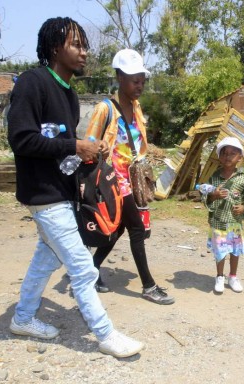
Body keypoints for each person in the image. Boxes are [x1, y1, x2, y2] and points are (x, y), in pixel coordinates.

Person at [6, 17, 144, 358]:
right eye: (76, 45)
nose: (84, 52)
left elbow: (62, 146)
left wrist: (87, 156)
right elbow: (21, 139)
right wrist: (75, 146)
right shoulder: (31, 82)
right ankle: (106, 335)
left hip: (62, 192)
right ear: (55, 48)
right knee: (83, 267)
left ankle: (23, 318)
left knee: (46, 259)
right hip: (42, 194)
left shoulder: (69, 93)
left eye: (85, 45)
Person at [84, 49, 174, 305]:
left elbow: (138, 145)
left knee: (120, 227)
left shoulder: (136, 109)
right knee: (136, 228)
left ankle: (91, 268)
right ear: (120, 77)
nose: (140, 86)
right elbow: (90, 145)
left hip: (132, 180)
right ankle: (148, 285)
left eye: (142, 81)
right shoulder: (105, 109)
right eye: (135, 80)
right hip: (113, 181)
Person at [201, 137, 244, 293]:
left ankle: (232, 276)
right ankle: (219, 276)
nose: (228, 156)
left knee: (234, 250)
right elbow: (206, 196)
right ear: (219, 157)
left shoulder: (242, 179)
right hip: (218, 222)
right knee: (220, 251)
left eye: (233, 153)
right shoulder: (214, 178)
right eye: (224, 153)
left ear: (240, 157)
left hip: (234, 223)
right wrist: (214, 195)